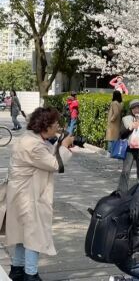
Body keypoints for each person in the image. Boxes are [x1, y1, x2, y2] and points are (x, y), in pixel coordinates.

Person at [5, 107, 75, 281]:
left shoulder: (31, 138)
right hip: (28, 197)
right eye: (55, 123)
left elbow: (47, 154)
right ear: (46, 126)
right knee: (34, 236)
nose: (58, 126)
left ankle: (17, 271)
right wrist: (64, 146)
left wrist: (59, 143)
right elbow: (54, 164)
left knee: (24, 235)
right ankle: (31, 274)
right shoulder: (33, 145)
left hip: (22, 194)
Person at [117, 99, 139, 194]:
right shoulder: (126, 119)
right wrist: (130, 128)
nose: (137, 110)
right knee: (125, 171)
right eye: (134, 108)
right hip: (129, 149)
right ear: (131, 109)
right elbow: (122, 135)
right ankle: (121, 192)